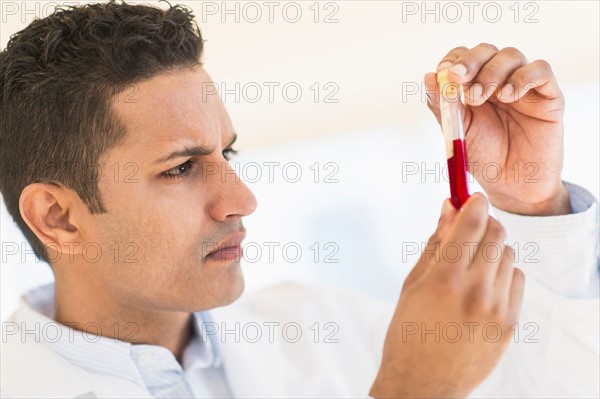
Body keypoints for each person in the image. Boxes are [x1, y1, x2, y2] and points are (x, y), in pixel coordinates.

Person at [0, 1, 597, 398]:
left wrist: (532, 201)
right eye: (181, 168)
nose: (241, 199)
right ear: (58, 218)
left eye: (225, 156)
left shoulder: (320, 325)